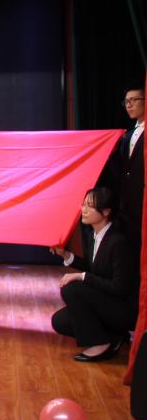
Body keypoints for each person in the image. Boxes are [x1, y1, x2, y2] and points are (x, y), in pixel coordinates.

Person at [49, 187, 139, 362]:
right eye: (83, 204)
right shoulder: (93, 235)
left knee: (72, 289)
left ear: (106, 212)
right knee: (59, 321)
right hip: (105, 301)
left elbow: (120, 287)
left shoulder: (118, 241)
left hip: (122, 309)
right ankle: (114, 337)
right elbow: (93, 268)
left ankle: (101, 344)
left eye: (90, 206)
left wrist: (82, 276)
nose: (83, 209)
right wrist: (66, 255)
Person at [107, 86, 144, 254]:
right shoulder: (127, 135)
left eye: (133, 100)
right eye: (126, 102)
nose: (129, 105)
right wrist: (112, 153)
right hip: (126, 204)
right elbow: (121, 171)